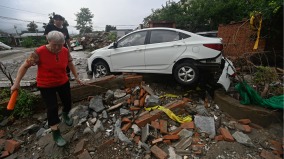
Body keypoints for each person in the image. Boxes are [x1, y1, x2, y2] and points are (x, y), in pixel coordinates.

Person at [11, 31, 82, 147]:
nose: (58, 47)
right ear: (48, 41)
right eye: (55, 44)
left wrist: (77, 77)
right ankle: (56, 133)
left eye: (61, 44)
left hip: (62, 81)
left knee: (68, 102)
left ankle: (65, 114)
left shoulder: (64, 50)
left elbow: (71, 64)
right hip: (46, 85)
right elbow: (24, 66)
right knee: (52, 107)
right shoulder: (38, 52)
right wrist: (16, 83)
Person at [44, 14, 72, 79]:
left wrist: (69, 47)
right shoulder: (50, 27)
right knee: (52, 61)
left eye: (60, 20)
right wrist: (51, 45)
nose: (58, 21)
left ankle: (68, 75)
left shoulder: (65, 29)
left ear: (62, 21)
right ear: (54, 20)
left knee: (66, 61)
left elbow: (67, 39)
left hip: (63, 47)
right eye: (56, 20)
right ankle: (54, 76)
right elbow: (47, 36)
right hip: (51, 47)